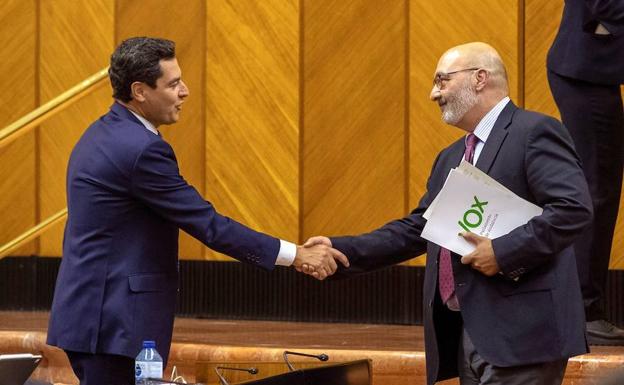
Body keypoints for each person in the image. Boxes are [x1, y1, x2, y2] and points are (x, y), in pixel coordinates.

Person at [46, 37, 348, 385]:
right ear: (140, 91)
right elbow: (208, 224)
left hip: (97, 319)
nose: (185, 91)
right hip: (114, 325)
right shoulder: (140, 150)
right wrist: (296, 255)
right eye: (173, 84)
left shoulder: (101, 132)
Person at [304, 42, 593, 385]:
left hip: (523, 333)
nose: (432, 93)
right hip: (466, 333)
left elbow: (573, 209)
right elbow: (419, 229)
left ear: (480, 78)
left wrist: (502, 252)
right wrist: (343, 250)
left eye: (442, 80)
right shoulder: (450, 156)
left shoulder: (534, 132)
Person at [547, 0, 624, 345]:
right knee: (596, 191)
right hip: (583, 74)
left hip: (594, 73)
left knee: (600, 190)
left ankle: (582, 307)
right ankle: (582, 309)